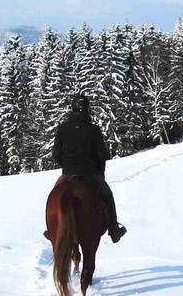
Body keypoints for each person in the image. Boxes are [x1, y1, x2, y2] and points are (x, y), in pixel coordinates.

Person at [50, 94, 127, 243]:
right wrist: (99, 173)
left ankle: (51, 228)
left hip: (68, 174)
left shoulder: (62, 129)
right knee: (107, 196)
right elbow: (101, 155)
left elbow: (56, 155)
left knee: (54, 196)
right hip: (90, 174)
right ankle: (114, 230)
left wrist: (67, 165)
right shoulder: (93, 130)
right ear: (87, 109)